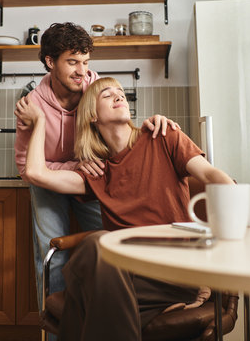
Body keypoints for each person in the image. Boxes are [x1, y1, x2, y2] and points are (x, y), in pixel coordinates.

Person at [15, 77, 234, 341]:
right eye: (107, 94)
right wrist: (41, 122)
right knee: (97, 252)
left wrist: (245, 209)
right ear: (92, 116)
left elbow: (211, 175)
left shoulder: (163, 136)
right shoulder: (99, 174)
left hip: (176, 272)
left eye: (120, 92)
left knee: (89, 269)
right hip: (129, 278)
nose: (118, 96)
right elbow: (35, 174)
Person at [14, 22, 179, 310]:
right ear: (50, 62)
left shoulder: (96, 89)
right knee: (52, 256)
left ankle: (124, 321)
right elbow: (26, 168)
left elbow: (118, 133)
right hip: (50, 183)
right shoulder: (31, 106)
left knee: (117, 242)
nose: (82, 71)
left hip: (93, 177)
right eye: (73, 62)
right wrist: (75, 165)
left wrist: (150, 125)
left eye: (86, 62)